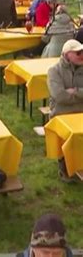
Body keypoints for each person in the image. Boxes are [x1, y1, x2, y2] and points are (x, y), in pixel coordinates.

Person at [47, 39, 83, 182]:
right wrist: (80, 95)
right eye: (78, 53)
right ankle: (65, 166)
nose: (82, 55)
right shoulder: (54, 71)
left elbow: (65, 96)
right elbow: (59, 96)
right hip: (61, 114)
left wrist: (74, 91)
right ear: (67, 54)